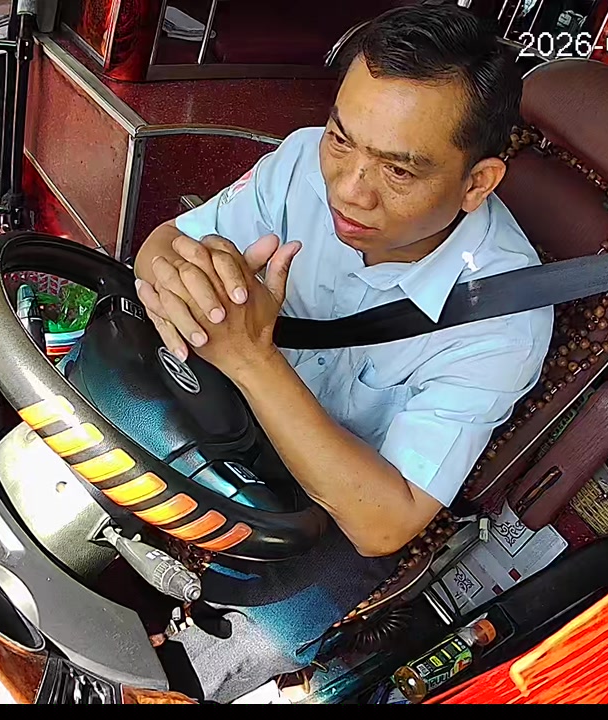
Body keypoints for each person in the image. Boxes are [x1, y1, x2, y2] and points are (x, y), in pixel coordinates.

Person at [132, 4, 553, 703]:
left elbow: (386, 522)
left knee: (225, 649)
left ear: (477, 183)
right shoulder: (303, 159)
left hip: (334, 500)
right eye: (342, 138)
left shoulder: (503, 319)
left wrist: (250, 356)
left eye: (399, 171)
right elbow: (165, 242)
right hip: (228, 411)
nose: (348, 188)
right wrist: (179, 278)